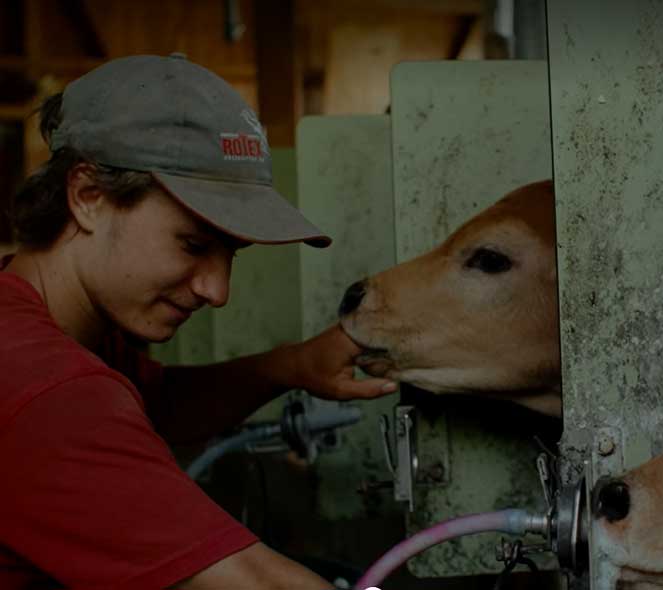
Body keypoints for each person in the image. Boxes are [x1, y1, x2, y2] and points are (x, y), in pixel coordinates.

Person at [0, 53, 397, 589]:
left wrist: (292, 366)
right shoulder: (46, 386)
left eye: (232, 254)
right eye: (193, 244)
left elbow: (156, 406)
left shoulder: (37, 320)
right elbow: (255, 583)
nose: (218, 290)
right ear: (88, 196)